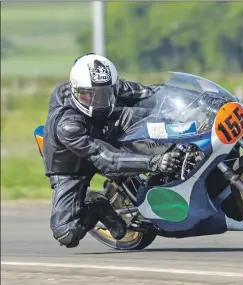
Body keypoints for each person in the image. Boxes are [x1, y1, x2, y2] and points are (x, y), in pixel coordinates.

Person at [42, 53, 182, 248]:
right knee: (66, 233)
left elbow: (150, 93)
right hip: (72, 165)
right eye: (89, 95)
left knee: (149, 112)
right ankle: (97, 205)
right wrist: (154, 161)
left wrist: (186, 99)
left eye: (104, 93)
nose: (97, 101)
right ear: (75, 90)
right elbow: (106, 158)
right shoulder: (68, 125)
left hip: (104, 135)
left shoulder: (114, 87)